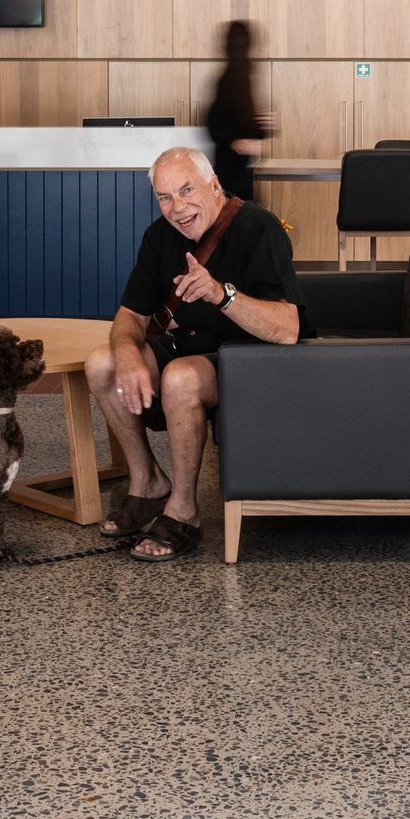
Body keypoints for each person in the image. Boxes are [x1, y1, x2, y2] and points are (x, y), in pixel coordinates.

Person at [83, 148, 306, 562]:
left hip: (246, 357)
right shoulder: (158, 237)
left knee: (180, 377)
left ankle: (184, 508)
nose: (178, 208)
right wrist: (128, 355)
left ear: (214, 183)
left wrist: (220, 294)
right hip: (184, 344)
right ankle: (147, 481)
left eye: (186, 190)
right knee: (103, 363)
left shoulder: (259, 228)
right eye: (165, 197)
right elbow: (130, 315)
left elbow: (288, 327)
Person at [204, 19, 275, 201]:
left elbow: (225, 123)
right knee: (243, 220)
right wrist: (237, 141)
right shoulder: (234, 77)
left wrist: (260, 129)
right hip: (232, 170)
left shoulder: (237, 74)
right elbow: (216, 125)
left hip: (236, 168)